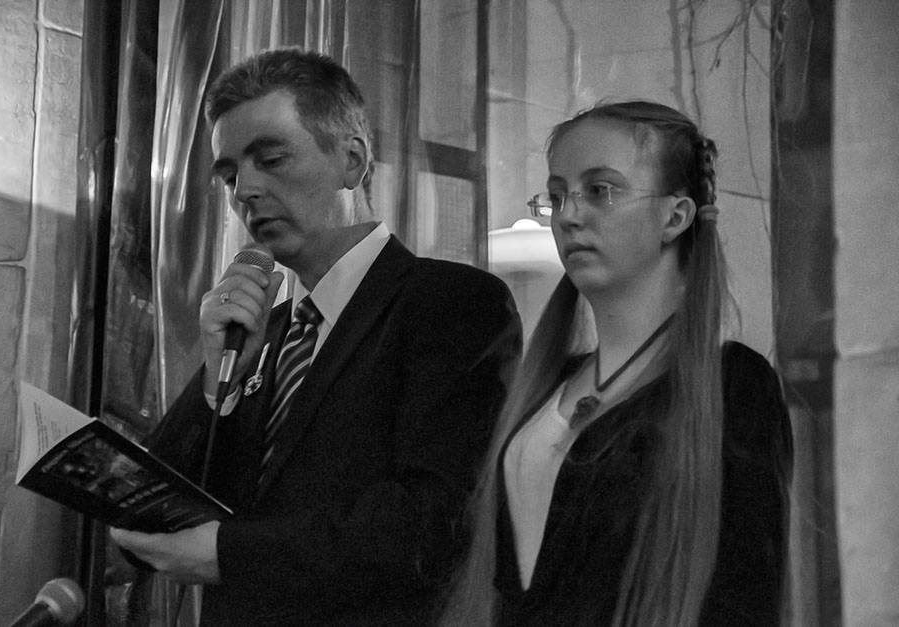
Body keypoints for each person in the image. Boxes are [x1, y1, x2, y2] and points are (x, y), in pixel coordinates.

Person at [109, 48, 522, 625]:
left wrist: (231, 554)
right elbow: (149, 513)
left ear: (352, 160)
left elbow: (434, 520)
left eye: (271, 159)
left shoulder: (448, 303)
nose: (244, 190)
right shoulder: (261, 333)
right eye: (229, 175)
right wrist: (215, 383)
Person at [441, 100, 793, 626]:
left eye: (601, 190)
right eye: (557, 195)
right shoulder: (547, 384)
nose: (569, 215)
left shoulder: (730, 386)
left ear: (675, 216)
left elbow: (743, 593)